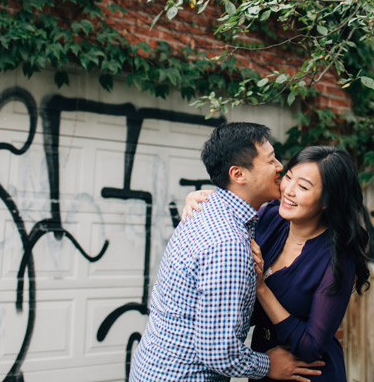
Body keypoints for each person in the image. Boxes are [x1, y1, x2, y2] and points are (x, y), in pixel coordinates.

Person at [129, 122, 325, 382]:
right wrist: (269, 365)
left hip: (152, 368)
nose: (280, 167)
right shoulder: (227, 244)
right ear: (239, 174)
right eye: (270, 160)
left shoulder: (206, 209)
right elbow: (219, 353)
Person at [184, 145, 370, 382]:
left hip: (309, 373)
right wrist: (200, 200)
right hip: (266, 364)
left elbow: (311, 346)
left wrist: (261, 287)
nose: (288, 190)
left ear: (327, 200)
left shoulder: (337, 257)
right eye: (289, 177)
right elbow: (231, 210)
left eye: (303, 187)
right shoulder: (271, 217)